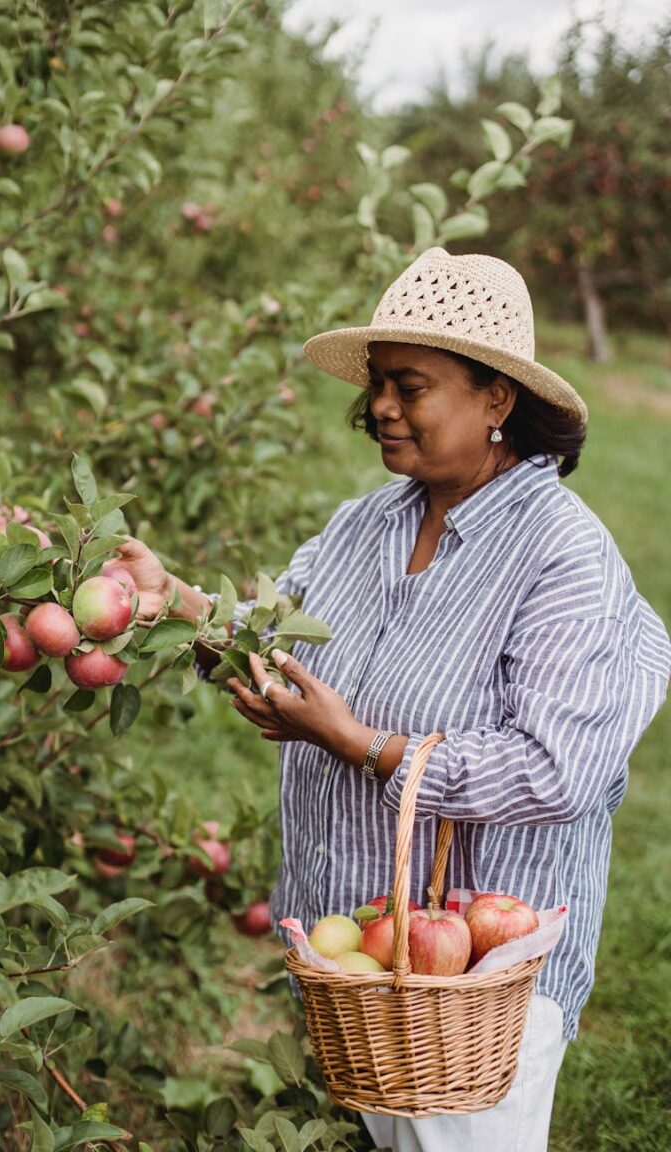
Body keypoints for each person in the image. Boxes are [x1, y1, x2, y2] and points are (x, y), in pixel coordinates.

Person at [117, 248, 670, 1152]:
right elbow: (271, 637)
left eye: (409, 385)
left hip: (474, 987)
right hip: (357, 959)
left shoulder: (561, 555)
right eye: (378, 384)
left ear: (498, 399)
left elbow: (558, 770)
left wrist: (363, 746)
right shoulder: (366, 522)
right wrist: (171, 598)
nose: (380, 406)